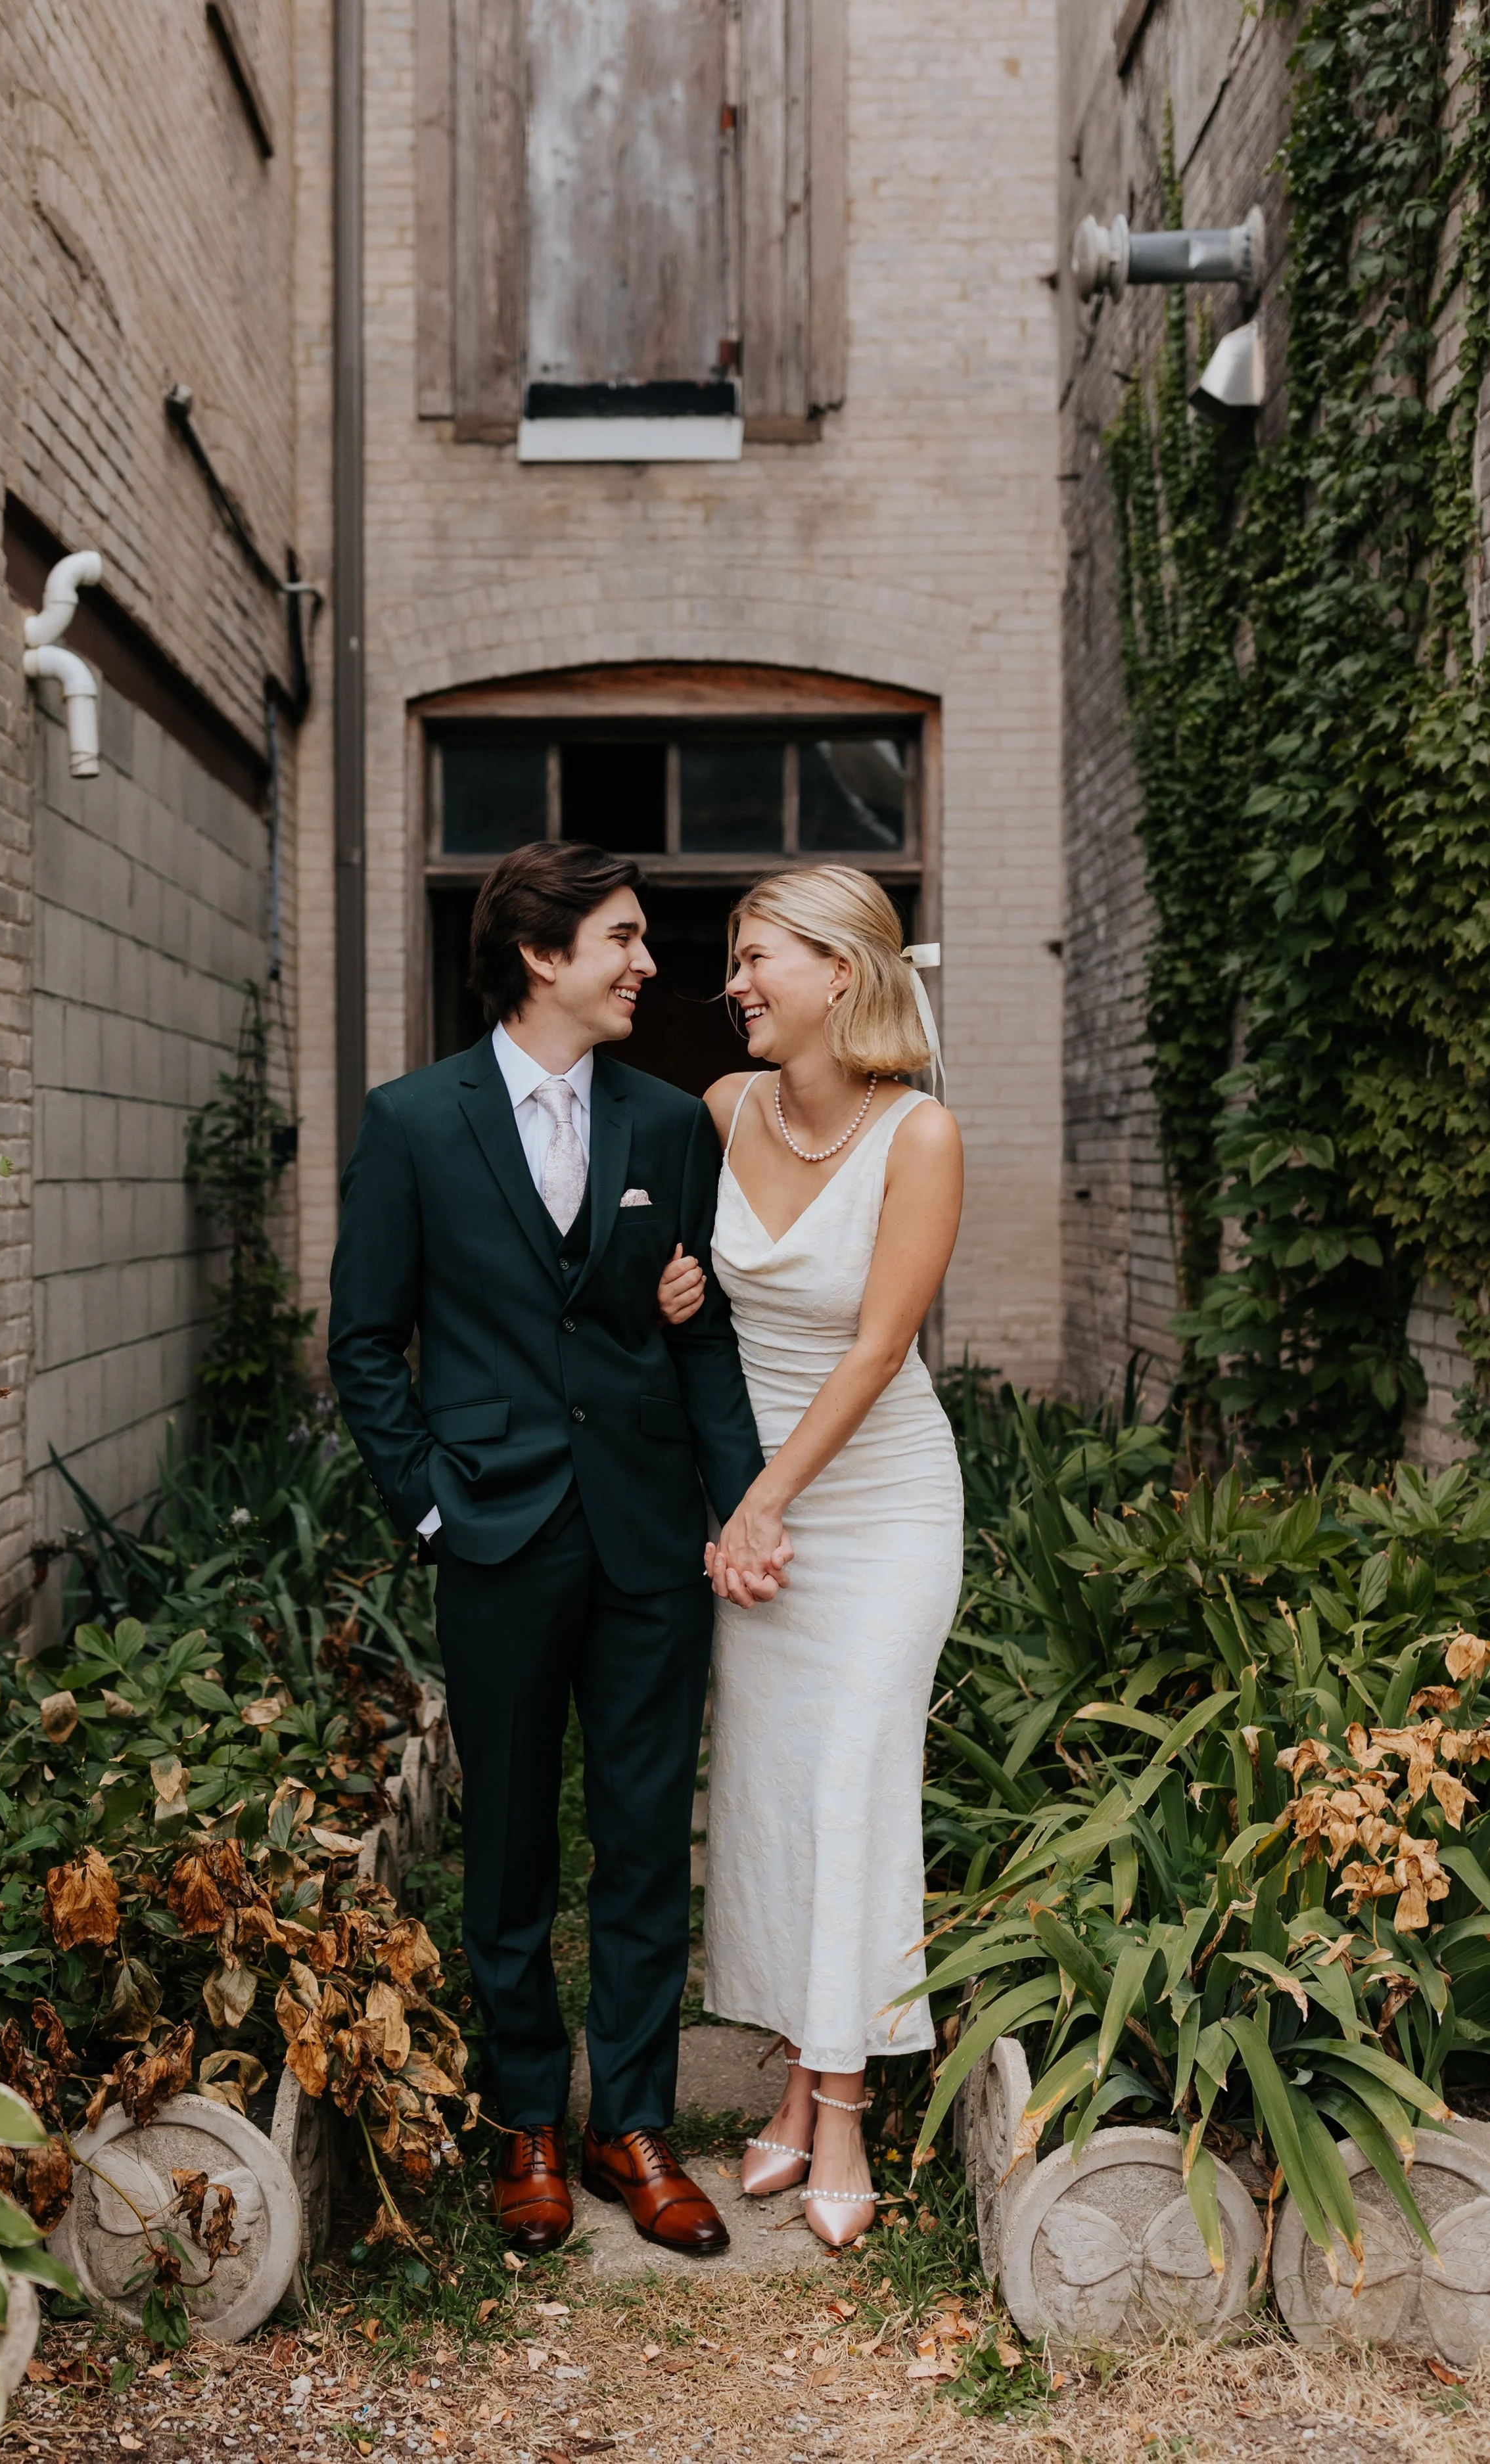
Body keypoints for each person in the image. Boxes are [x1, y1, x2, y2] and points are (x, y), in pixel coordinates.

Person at [328, 842, 777, 2258]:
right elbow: (363, 1342)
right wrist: (431, 1507)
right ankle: (526, 2112)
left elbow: (696, 1341)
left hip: (647, 1533)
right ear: (541, 953)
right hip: (498, 1534)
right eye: (624, 939)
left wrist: (741, 1503)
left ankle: (627, 2123)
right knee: (510, 1844)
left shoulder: (666, 1125)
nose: (649, 963)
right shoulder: (411, 1120)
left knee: (644, 1846)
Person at [654, 865, 965, 2251]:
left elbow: (877, 1347)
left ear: (840, 973)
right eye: (733, 957)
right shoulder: (719, 1112)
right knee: (775, 1797)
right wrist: (670, 1290)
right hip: (751, 1504)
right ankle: (791, 2079)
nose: (732, 981)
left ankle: (840, 2110)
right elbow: (684, 1302)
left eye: (756, 956)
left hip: (874, 1503)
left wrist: (764, 1505)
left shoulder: (921, 1138)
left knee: (853, 1781)